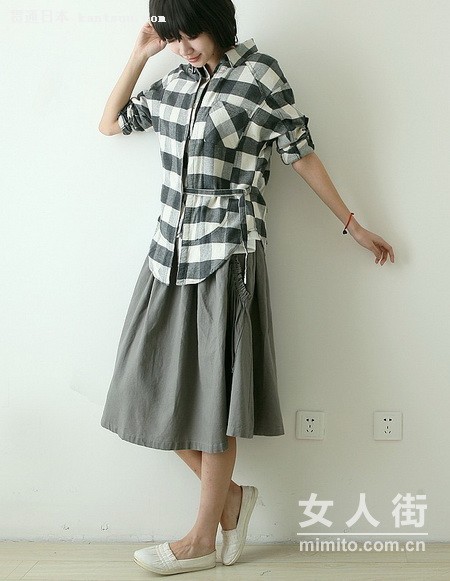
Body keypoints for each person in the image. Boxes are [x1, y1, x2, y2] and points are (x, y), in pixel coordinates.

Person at [98, 0, 395, 575]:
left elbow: (301, 156)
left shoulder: (260, 76)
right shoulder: (175, 81)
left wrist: (352, 225)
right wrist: (140, 54)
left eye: (191, 34)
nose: (183, 47)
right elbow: (110, 123)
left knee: (214, 398)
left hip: (228, 253)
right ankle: (231, 499)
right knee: (142, 389)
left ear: (217, 23)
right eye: (173, 37)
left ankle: (200, 539)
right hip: (167, 253)